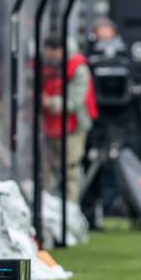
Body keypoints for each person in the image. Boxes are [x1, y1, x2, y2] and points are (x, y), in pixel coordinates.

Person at [42, 34, 98, 204]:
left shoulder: (78, 67)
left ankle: (70, 213)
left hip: (73, 127)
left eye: (54, 52)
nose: (51, 57)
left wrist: (49, 102)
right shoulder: (43, 64)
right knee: (45, 172)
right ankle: (46, 211)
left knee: (70, 171)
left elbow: (75, 100)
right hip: (48, 126)